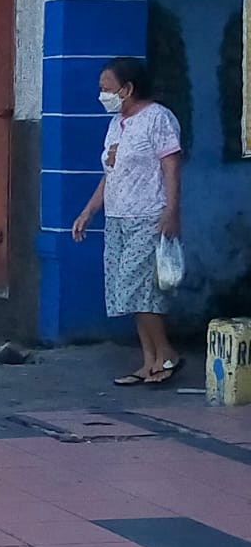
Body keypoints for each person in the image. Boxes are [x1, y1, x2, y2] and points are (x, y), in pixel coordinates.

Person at [72, 57, 184, 386]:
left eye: (106, 89)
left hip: (148, 215)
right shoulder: (116, 124)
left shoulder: (158, 119)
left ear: (128, 88)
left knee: (140, 289)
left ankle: (166, 354)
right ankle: (149, 360)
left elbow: (171, 168)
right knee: (130, 292)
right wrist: (89, 211)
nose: (101, 95)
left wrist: (172, 212)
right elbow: (111, 174)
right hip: (118, 217)